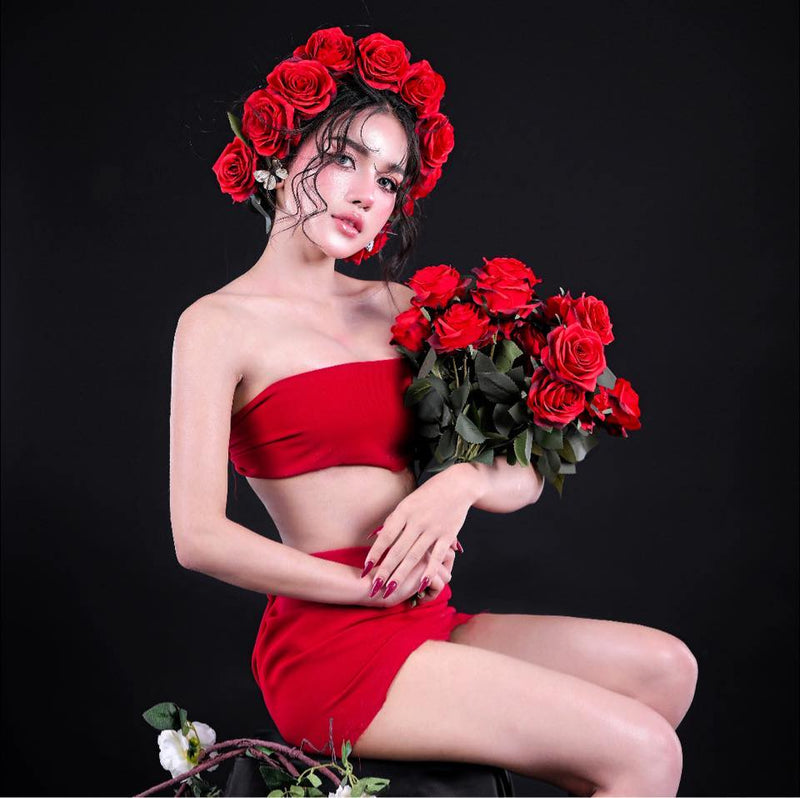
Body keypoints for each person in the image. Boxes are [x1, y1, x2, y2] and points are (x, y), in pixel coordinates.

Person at [169, 27, 698, 797]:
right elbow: (197, 538)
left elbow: (521, 473)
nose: (364, 192)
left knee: (665, 671)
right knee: (647, 756)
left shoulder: (406, 308)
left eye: (389, 179)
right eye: (345, 157)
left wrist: (460, 486)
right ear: (283, 149)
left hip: (428, 619)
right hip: (332, 647)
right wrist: (364, 589)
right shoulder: (217, 325)